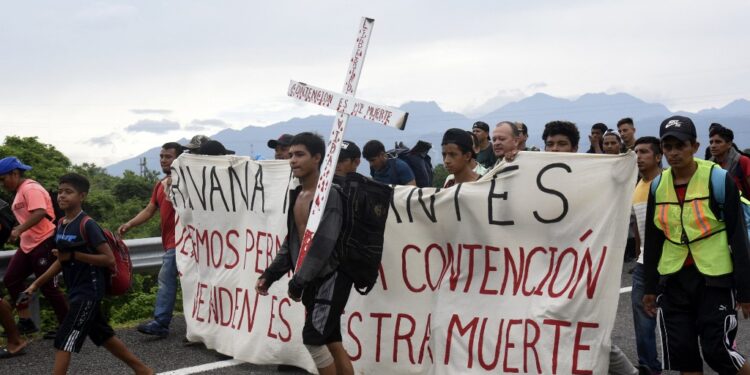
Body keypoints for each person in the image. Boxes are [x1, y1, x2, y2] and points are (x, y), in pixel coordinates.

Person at [643, 115, 750, 374]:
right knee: (683, 355)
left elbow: (738, 236)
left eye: (680, 146)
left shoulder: (718, 179)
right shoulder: (658, 186)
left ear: (693, 145)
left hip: (714, 279)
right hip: (674, 281)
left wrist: (746, 291)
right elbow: (653, 239)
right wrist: (649, 287)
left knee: (719, 352)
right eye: (668, 147)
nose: (673, 153)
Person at [24, 173, 152, 375]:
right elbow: (62, 260)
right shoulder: (61, 224)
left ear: (82, 196)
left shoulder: (87, 224)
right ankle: (143, 370)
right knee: (103, 335)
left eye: (69, 192)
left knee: (64, 340)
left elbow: (108, 259)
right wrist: (35, 285)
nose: (62, 196)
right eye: (60, 191)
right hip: (76, 290)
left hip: (89, 291)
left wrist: (75, 254)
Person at [256, 132, 354, 375]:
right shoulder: (297, 195)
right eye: (290, 155)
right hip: (312, 279)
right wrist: (270, 275)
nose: (292, 160)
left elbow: (323, 244)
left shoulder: (328, 195)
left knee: (313, 339)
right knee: (331, 339)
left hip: (332, 277)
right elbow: (293, 242)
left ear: (317, 158)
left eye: (300, 155)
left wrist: (299, 281)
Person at [544, 121, 637, 375]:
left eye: (562, 144)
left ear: (575, 148)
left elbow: (623, 170)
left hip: (584, 270)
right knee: (549, 329)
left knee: (590, 333)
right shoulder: (532, 180)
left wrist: (627, 152)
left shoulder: (593, 177)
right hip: (544, 271)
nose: (555, 150)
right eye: (550, 144)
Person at [118, 142, 182, 338]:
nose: (163, 160)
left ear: (179, 159)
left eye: (168, 156)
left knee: (166, 280)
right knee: (175, 282)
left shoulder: (186, 183)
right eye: (162, 156)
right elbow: (149, 210)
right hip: (170, 242)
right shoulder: (160, 184)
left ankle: (161, 323)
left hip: (182, 243)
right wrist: (129, 224)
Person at [0, 156, 68, 336]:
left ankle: (68, 326)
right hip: (28, 244)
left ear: (14, 173)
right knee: (11, 280)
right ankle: (26, 320)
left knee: (48, 287)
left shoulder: (31, 188)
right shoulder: (20, 191)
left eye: (2, 179)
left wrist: (19, 230)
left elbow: (40, 212)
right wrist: (18, 231)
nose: (2, 184)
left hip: (45, 241)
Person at [630, 136, 663, 375]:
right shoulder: (637, 186)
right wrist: (638, 255)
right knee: (643, 319)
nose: (638, 157)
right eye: (635, 152)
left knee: (680, 319)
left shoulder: (665, 184)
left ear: (658, 156)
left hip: (671, 263)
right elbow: (638, 229)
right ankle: (648, 366)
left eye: (643, 152)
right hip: (644, 264)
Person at [709, 125, 750, 198]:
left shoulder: (742, 161)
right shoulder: (709, 165)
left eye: (718, 142)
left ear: (729, 144)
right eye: (711, 142)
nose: (713, 146)